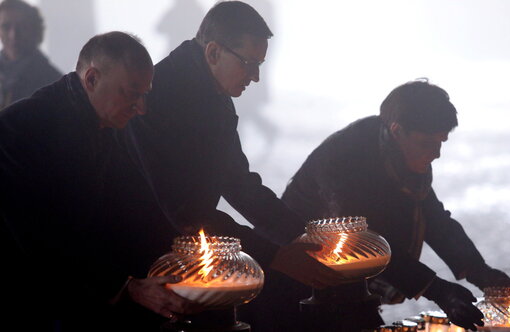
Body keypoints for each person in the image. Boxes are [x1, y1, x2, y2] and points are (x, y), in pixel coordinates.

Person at [117, 0, 342, 296]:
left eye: (260, 65)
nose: (256, 77)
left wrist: (302, 236)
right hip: (131, 261)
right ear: (213, 52)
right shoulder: (159, 97)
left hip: (177, 247)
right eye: (248, 63)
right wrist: (273, 255)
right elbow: (184, 210)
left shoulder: (215, 97)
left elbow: (239, 184)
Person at [279, 79, 510, 331]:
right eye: (426, 143)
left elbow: (433, 219)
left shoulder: (403, 157)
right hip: (303, 281)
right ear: (397, 131)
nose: (435, 153)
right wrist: (435, 288)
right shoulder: (346, 158)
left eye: (440, 142)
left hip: (349, 280)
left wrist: (481, 273)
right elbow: (362, 241)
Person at [0, 31, 200, 331]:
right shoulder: (20, 129)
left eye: (145, 94)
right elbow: (39, 242)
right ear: (91, 79)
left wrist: (189, 252)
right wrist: (127, 287)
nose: (141, 107)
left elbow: (136, 206)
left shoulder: (104, 122)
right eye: (132, 93)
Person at [0, 0, 60, 109]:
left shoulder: (53, 82)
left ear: (34, 30)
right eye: (6, 26)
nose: (13, 35)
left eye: (21, 26)